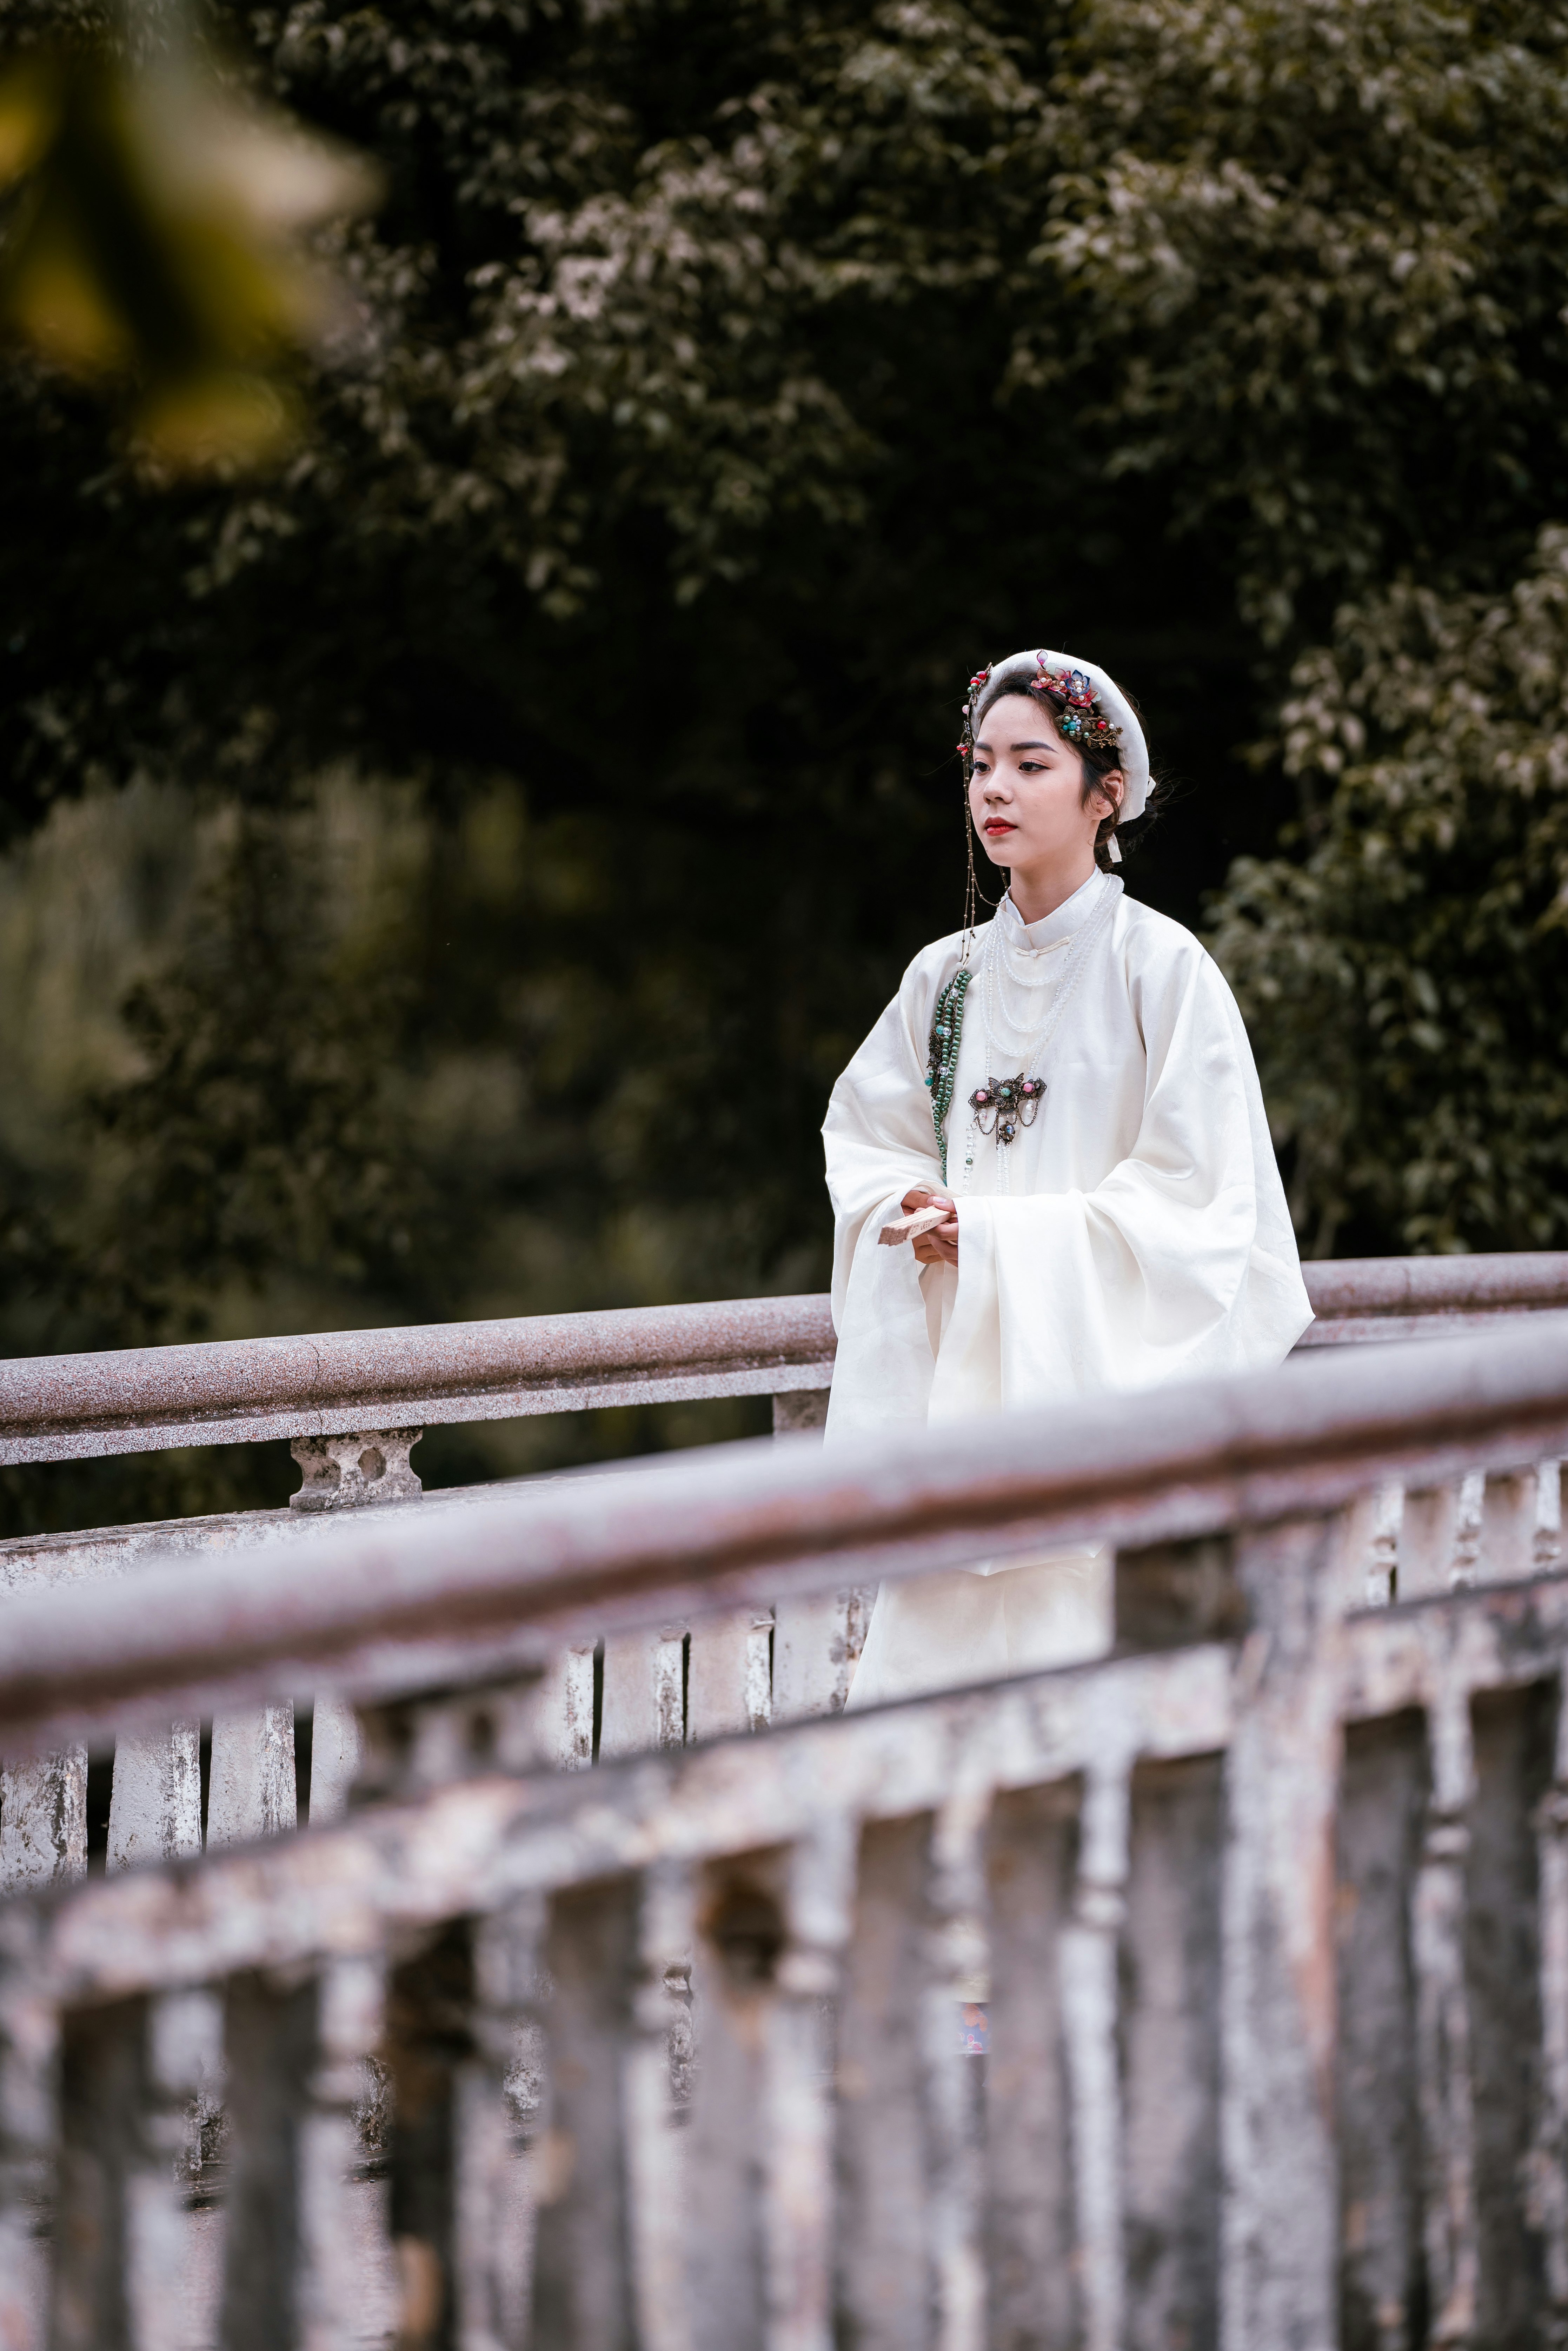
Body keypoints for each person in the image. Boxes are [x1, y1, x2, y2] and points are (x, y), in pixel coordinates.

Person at [822, 646, 1313, 1708]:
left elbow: (1200, 1205)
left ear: (1107, 794)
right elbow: (871, 1137)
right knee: (919, 1769)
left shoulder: (1163, 969)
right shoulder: (941, 979)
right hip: (962, 1421)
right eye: (980, 764)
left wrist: (996, 1240)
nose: (993, 789)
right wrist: (909, 1209)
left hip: (1096, 1424)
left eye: (1030, 765)